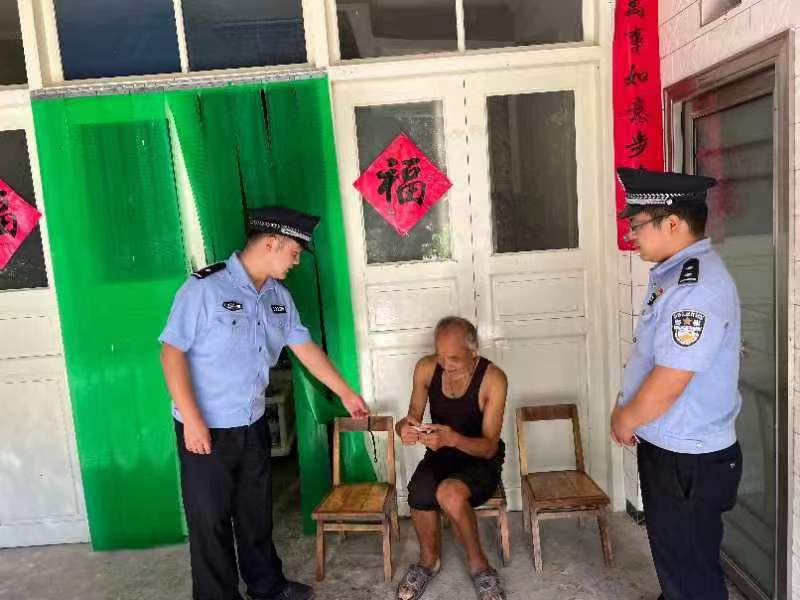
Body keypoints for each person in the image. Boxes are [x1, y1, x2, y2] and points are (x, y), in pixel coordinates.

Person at [159, 205, 369, 600]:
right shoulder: (204, 289)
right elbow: (171, 353)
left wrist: (345, 392)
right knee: (210, 522)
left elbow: (304, 347)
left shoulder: (278, 297)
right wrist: (192, 419)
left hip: (252, 422)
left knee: (255, 513)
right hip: (206, 426)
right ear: (271, 243)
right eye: (294, 252)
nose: (296, 261)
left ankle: (267, 586)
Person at [611, 167, 743, 600]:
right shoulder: (674, 275)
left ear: (672, 223)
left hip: (687, 459)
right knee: (678, 559)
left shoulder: (695, 287)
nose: (631, 234)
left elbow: (670, 381)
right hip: (674, 449)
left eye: (637, 224)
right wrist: (627, 407)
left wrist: (626, 419)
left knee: (690, 570)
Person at [394, 316, 507, 600]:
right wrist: (404, 429)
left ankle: (480, 566)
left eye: (454, 358)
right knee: (418, 490)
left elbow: (489, 447)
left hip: (480, 458)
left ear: (473, 352)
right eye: (440, 355)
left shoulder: (493, 379)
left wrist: (452, 439)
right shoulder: (426, 368)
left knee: (450, 493)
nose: (445, 364)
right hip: (442, 452)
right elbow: (411, 417)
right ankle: (427, 562)